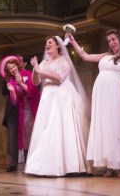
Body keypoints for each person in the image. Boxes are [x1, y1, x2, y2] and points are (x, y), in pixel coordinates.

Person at [68, 29, 120, 177]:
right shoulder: (106, 55)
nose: (111, 42)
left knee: (115, 126)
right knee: (104, 126)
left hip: (115, 95)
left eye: (114, 39)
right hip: (101, 96)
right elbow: (85, 56)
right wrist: (73, 42)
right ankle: (109, 166)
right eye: (109, 40)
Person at [25, 36, 91, 177]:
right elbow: (36, 82)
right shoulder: (43, 62)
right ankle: (44, 164)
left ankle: (70, 165)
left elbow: (58, 77)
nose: (47, 45)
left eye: (50, 43)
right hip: (47, 97)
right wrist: (35, 70)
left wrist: (39, 70)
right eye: (46, 43)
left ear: (57, 46)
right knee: (46, 129)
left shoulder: (64, 61)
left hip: (62, 96)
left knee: (62, 127)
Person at [0, 55, 41, 165]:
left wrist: (21, 83)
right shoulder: (11, 82)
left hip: (34, 107)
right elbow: (16, 101)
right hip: (24, 110)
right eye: (10, 69)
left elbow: (33, 91)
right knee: (26, 136)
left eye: (14, 66)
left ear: (17, 65)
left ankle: (39, 162)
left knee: (36, 134)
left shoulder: (26, 73)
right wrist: (12, 91)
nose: (13, 69)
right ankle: (29, 164)